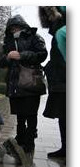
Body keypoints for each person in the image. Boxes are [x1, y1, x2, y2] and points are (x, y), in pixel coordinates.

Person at [0, 15, 48, 153]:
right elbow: (0, 62)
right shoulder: (7, 41)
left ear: (23, 26)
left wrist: (22, 55)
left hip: (31, 81)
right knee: (19, 115)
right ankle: (20, 138)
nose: (14, 29)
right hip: (15, 83)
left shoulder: (34, 36)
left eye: (17, 26)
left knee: (31, 114)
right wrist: (8, 57)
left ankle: (29, 142)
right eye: (12, 27)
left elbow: (42, 54)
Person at [39, 6, 66, 158]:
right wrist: (50, 67)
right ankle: (65, 148)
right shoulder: (57, 32)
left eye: (50, 14)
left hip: (65, 78)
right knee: (63, 115)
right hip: (59, 79)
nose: (48, 18)